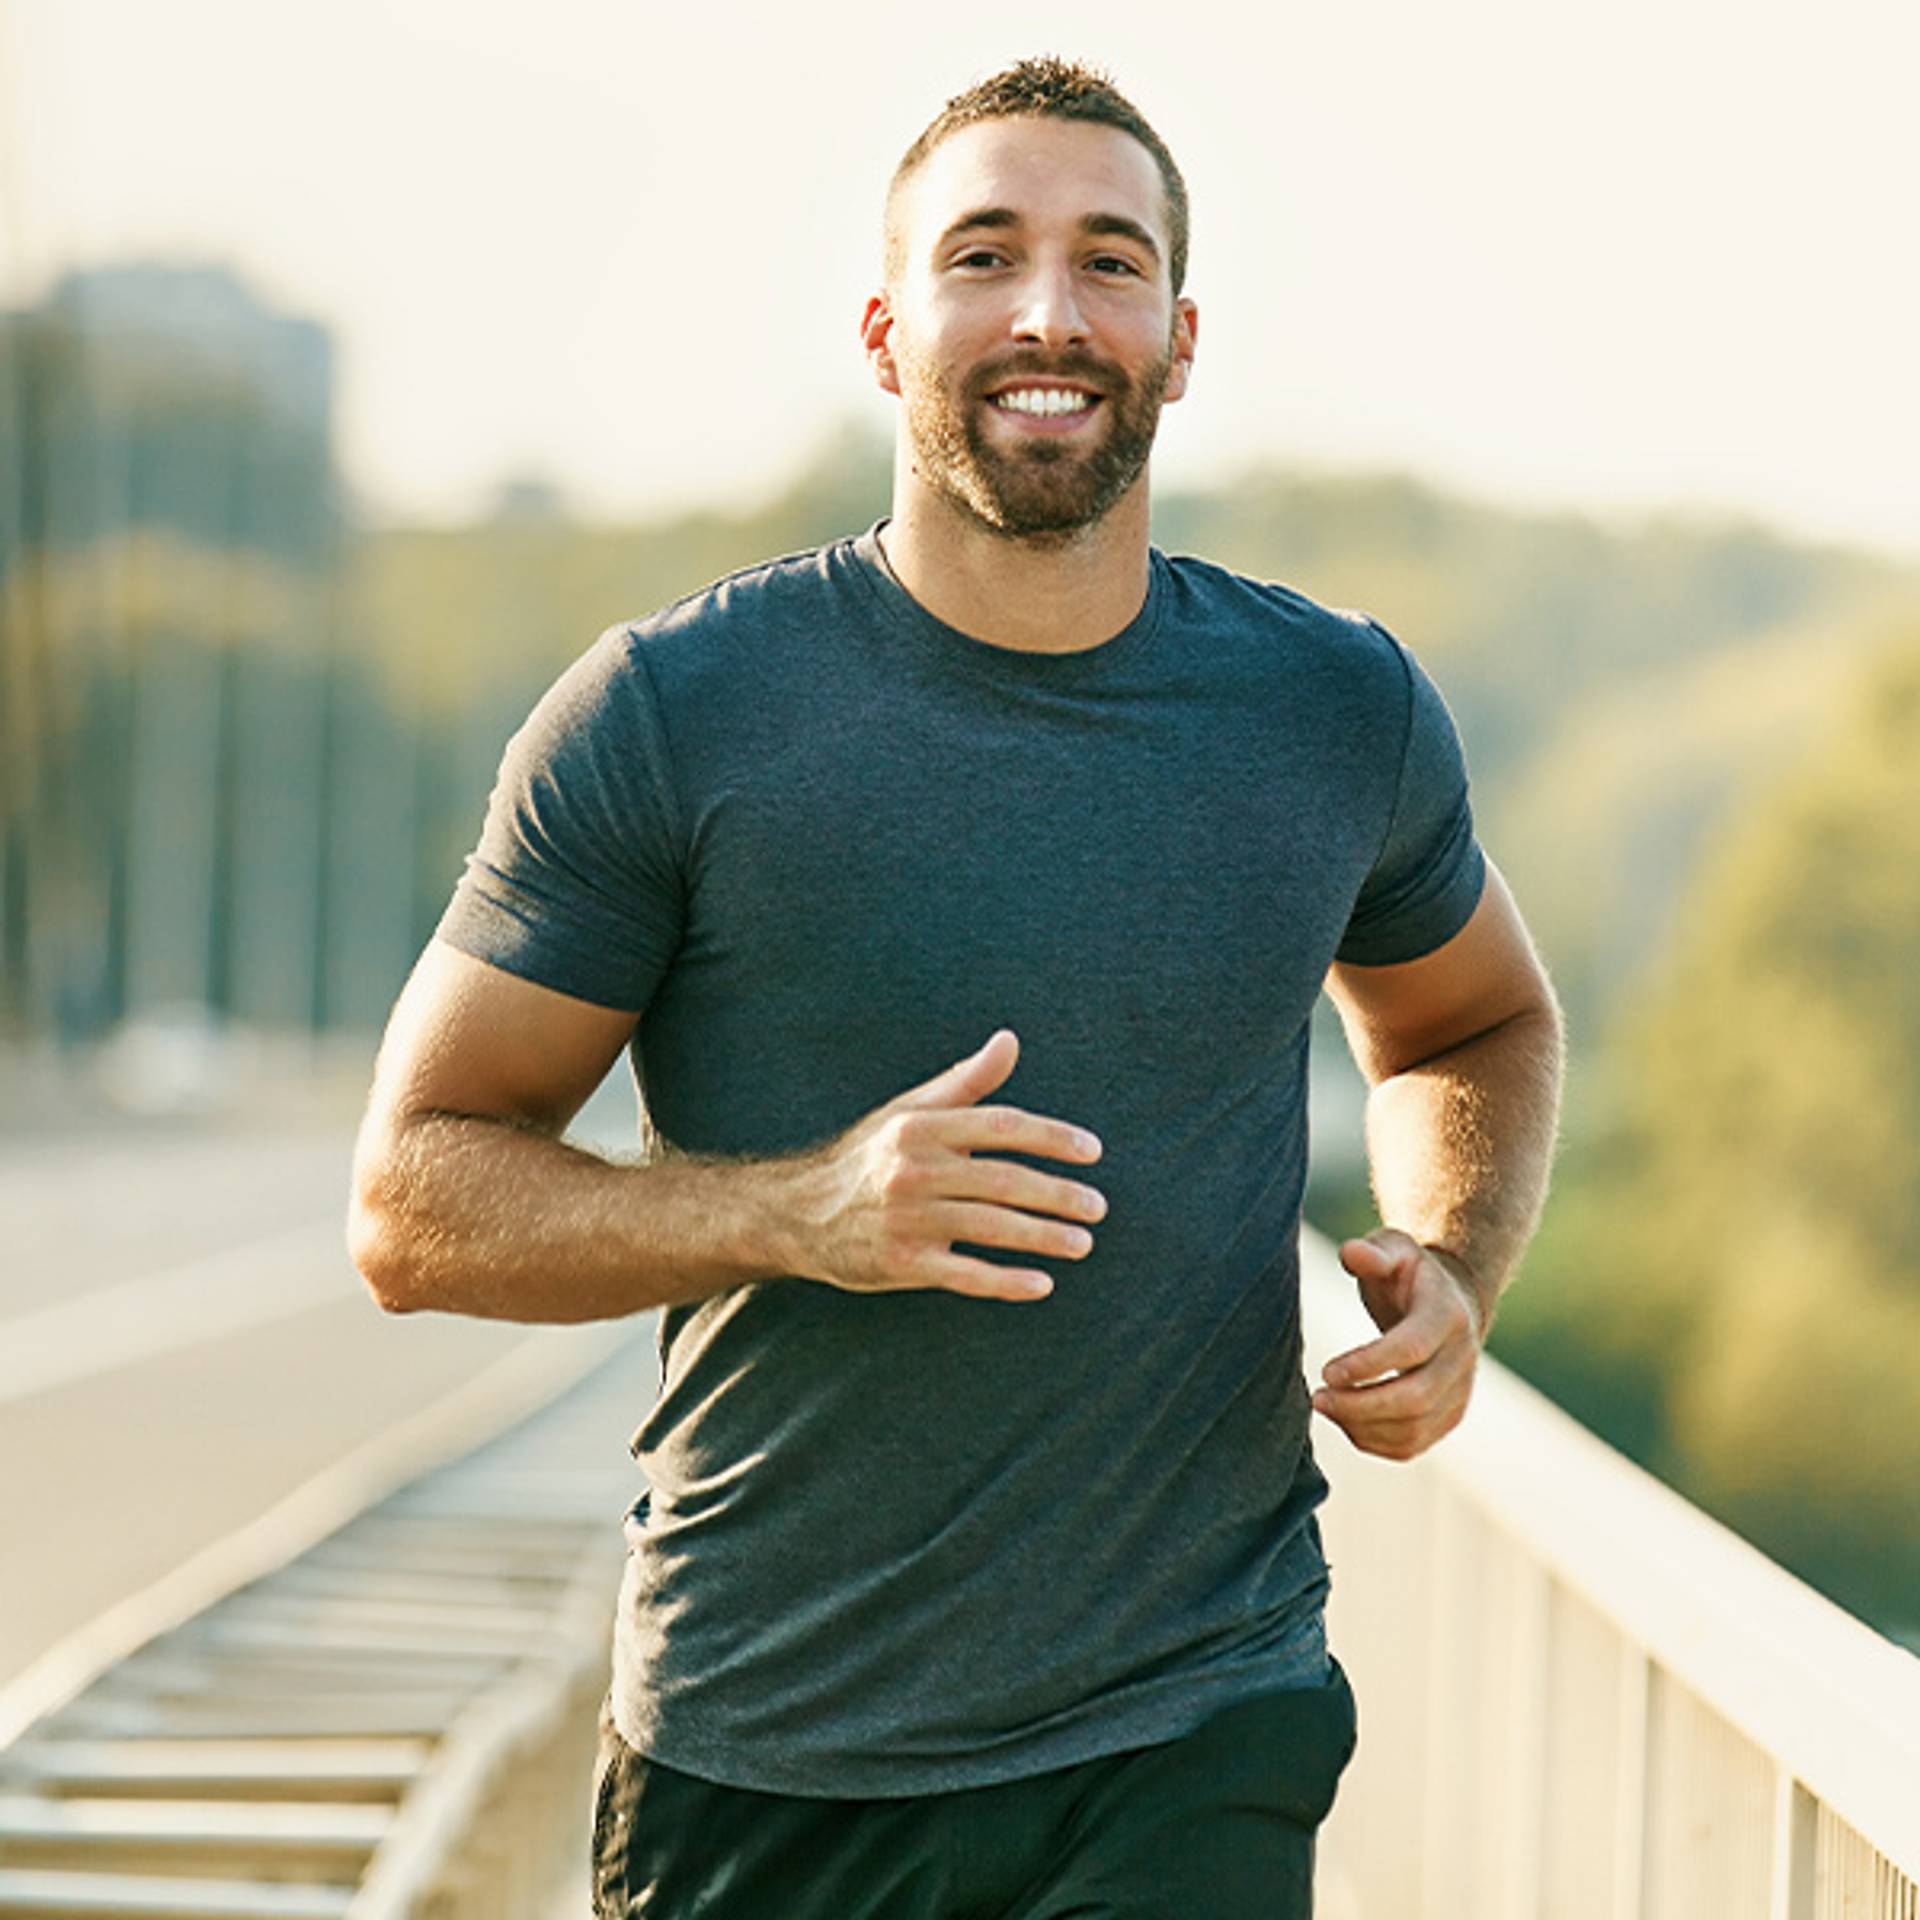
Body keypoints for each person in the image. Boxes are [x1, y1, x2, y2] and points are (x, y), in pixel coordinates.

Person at [349, 55, 1562, 1920]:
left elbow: (1471, 1018)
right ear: (886, 326)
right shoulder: (672, 716)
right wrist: (799, 1210)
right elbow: (412, 1201)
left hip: (1197, 1720)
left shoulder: (1337, 712)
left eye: (1109, 261)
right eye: (984, 256)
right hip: (773, 1747)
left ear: (1178, 335)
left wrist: (1458, 1271)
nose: (1048, 312)